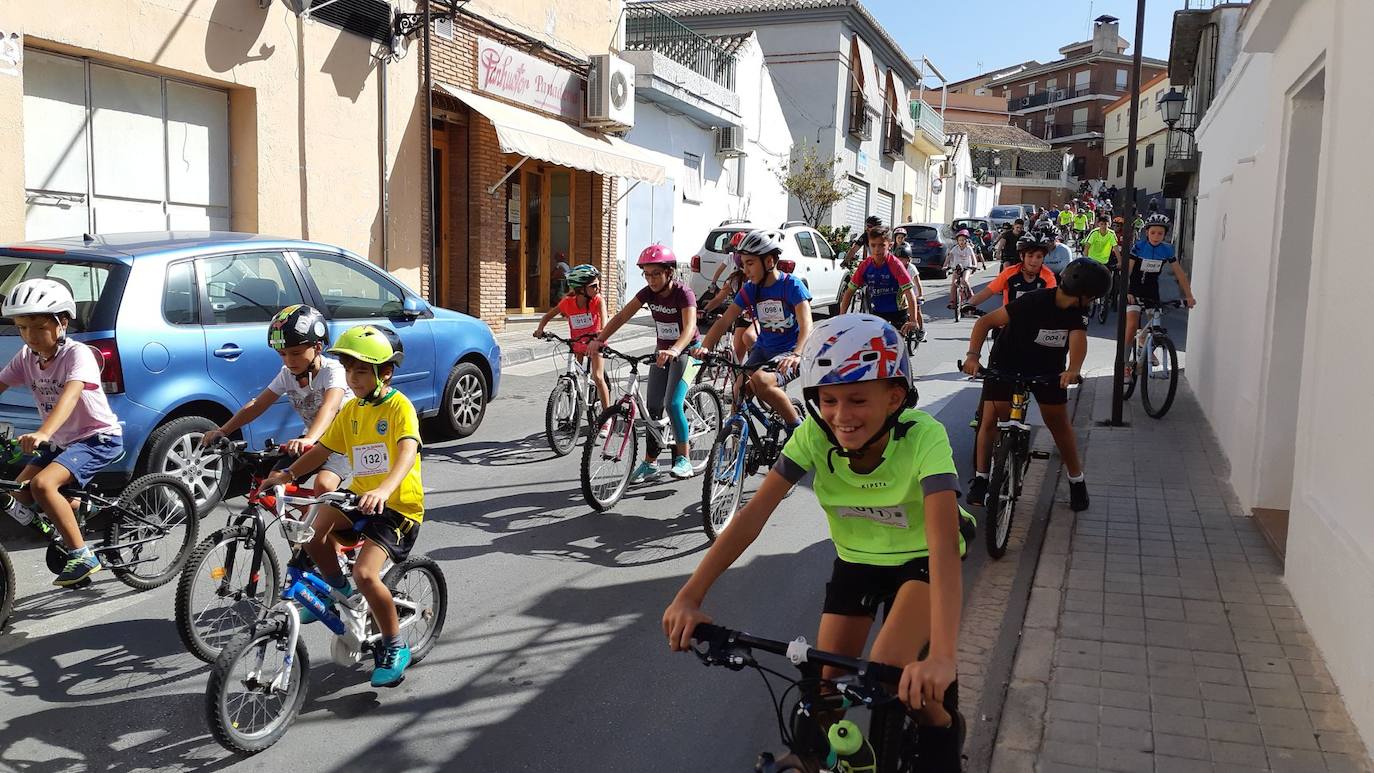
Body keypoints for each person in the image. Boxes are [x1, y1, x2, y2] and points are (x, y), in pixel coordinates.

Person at [664, 314, 973, 772]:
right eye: (828, 400)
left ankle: (943, 728)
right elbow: (751, 518)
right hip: (858, 559)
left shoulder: (923, 436)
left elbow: (944, 548)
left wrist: (944, 657)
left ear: (895, 397)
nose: (842, 416)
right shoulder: (813, 436)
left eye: (857, 399)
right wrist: (689, 595)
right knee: (824, 688)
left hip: (923, 555)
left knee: (889, 674)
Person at [262, 325, 423, 687]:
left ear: (386, 372)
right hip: (358, 498)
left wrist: (383, 490)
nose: (354, 378)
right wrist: (286, 473)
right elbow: (322, 451)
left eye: (362, 370)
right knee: (310, 532)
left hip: (397, 507)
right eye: (350, 370)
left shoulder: (399, 407)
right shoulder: (351, 410)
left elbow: (407, 453)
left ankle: (395, 646)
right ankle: (342, 592)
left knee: (367, 573)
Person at [0, 279, 123, 586]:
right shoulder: (27, 358)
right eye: (22, 328)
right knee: (18, 494)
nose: (30, 336)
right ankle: (77, 509)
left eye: (39, 327)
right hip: (61, 441)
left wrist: (42, 432)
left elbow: (70, 397)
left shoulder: (77, 354)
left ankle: (82, 554)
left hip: (97, 438)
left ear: (62, 322)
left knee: (42, 485)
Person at [963, 259, 1112, 513]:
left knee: (1059, 425)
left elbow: (1078, 340)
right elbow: (985, 322)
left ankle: (1077, 481)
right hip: (1007, 361)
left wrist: (1073, 369)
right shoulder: (1033, 301)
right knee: (990, 419)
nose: (1093, 302)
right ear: (1083, 294)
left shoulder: (1077, 312)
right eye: (1093, 297)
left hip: (1047, 369)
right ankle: (981, 478)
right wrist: (973, 356)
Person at [200, 304, 349, 494]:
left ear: (317, 347)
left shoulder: (333, 371)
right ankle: (302, 520)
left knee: (324, 486)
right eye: (282, 354)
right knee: (274, 483)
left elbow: (329, 407)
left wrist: (310, 438)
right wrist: (223, 430)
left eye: (296, 353)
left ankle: (322, 520)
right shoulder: (287, 374)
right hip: (312, 440)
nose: (288, 361)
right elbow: (258, 404)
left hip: (342, 441)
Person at [594, 245, 700, 482]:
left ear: (669, 272)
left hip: (687, 351)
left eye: (656, 274)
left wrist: (674, 349)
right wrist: (600, 339)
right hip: (661, 352)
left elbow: (691, 327)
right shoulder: (647, 294)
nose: (651, 279)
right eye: (647, 274)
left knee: (673, 403)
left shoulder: (684, 294)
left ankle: (684, 459)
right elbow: (622, 316)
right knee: (652, 408)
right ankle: (650, 464)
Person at [697, 229, 811, 433]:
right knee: (738, 390)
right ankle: (732, 446)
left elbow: (806, 324)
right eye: (743, 263)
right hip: (763, 350)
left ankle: (798, 430)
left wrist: (797, 354)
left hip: (790, 353)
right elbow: (725, 321)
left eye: (750, 263)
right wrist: (703, 348)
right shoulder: (750, 289)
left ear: (769, 262)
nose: (745, 269)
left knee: (761, 382)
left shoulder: (791, 286)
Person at [1124, 214, 1197, 381]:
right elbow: (1127, 271)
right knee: (1132, 324)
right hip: (1134, 291)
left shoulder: (1166, 250)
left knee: (1154, 324)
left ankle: (1146, 348)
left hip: (1152, 292)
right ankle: (1125, 364)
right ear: (1147, 232)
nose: (1156, 236)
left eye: (1160, 234)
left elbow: (1180, 274)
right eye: (1153, 233)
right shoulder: (1139, 247)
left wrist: (1189, 296)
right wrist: (1127, 291)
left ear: (1165, 235)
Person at [532, 264, 612, 415]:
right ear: (581, 289)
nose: (598, 289)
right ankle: (572, 413)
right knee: (573, 376)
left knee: (598, 377)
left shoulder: (598, 300)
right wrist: (540, 329)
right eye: (594, 286)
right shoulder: (567, 303)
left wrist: (601, 333)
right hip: (577, 344)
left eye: (598, 285)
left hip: (595, 343)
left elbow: (605, 321)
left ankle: (607, 416)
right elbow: (547, 316)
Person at [840, 226, 923, 340]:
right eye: (873, 245)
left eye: (881, 245)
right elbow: (849, 292)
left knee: (895, 346)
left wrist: (913, 320)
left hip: (898, 311)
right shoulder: (865, 265)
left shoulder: (896, 265)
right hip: (877, 312)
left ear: (890, 245)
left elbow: (909, 293)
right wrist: (841, 317)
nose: (876, 249)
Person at [965, 232, 1058, 310]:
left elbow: (1052, 302)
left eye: (1039, 257)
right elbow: (987, 291)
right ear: (1022, 256)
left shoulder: (1048, 276)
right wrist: (969, 304)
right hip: (1008, 321)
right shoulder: (1009, 273)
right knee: (982, 323)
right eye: (1030, 255)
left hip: (1036, 325)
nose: (1034, 260)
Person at [703, 247, 758, 368]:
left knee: (750, 340)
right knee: (736, 361)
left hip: (758, 319)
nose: (747, 271)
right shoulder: (735, 280)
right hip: (744, 318)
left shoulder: (759, 281)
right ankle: (738, 382)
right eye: (743, 266)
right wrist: (704, 310)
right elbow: (718, 299)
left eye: (749, 265)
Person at [944, 229, 978, 310]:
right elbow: (949, 257)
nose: (961, 242)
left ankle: (971, 295)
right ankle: (953, 302)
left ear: (966, 240)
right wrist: (945, 266)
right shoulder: (955, 248)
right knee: (954, 284)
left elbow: (973, 258)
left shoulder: (969, 248)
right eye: (960, 240)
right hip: (957, 268)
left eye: (963, 240)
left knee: (964, 281)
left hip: (967, 268)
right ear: (957, 241)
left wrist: (975, 265)